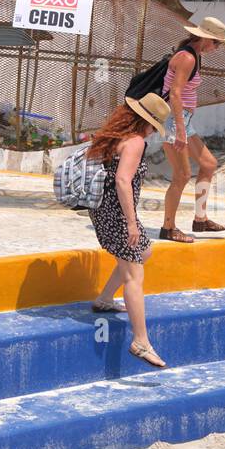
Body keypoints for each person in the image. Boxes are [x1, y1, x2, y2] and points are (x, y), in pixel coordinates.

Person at [87, 91, 172, 368]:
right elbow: (123, 181)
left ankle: (103, 299)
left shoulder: (116, 136)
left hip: (103, 209)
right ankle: (140, 341)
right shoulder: (135, 142)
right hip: (118, 214)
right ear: (147, 123)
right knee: (135, 273)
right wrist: (132, 222)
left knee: (143, 251)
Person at [159, 15, 225, 243]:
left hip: (183, 121)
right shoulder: (187, 58)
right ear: (206, 39)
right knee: (182, 175)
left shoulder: (194, 55)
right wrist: (180, 130)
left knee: (209, 164)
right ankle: (168, 228)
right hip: (175, 121)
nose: (218, 47)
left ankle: (200, 220)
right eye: (217, 43)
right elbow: (175, 93)